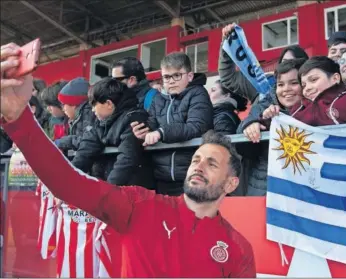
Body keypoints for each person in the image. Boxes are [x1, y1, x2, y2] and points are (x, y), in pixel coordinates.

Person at [0, 43, 256, 277]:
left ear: (231, 183)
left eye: (212, 164)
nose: (198, 166)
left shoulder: (238, 250)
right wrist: (18, 118)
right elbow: (67, 183)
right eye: (196, 159)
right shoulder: (139, 206)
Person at [132, 52, 214, 196]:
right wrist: (142, 131)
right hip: (160, 177)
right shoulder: (158, 99)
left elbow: (196, 127)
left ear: (189, 76)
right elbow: (151, 123)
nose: (171, 81)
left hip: (191, 177)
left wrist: (161, 133)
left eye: (177, 75)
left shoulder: (198, 93)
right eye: (166, 77)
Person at [236, 59, 305, 196]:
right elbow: (243, 139)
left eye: (294, 83)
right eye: (281, 84)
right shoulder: (265, 104)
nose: (286, 89)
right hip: (263, 184)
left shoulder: (317, 107)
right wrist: (252, 124)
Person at [72, 77, 152, 188]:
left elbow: (127, 159)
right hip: (109, 187)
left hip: (132, 190)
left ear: (109, 104)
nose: (93, 110)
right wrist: (68, 179)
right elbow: (85, 152)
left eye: (94, 105)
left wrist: (108, 191)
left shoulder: (134, 119)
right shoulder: (99, 122)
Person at [218, 23, 308, 105]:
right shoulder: (262, 82)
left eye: (294, 63)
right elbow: (228, 77)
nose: (288, 67)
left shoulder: (313, 93)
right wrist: (227, 43)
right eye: (284, 62)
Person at [55, 77, 96, 151]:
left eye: (64, 104)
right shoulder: (76, 118)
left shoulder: (88, 114)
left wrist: (66, 141)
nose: (63, 109)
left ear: (73, 104)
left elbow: (87, 141)